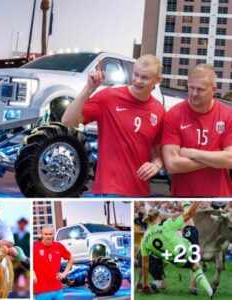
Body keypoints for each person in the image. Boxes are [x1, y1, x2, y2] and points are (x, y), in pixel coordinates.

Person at [62, 54, 165, 196]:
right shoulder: (109, 98)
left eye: (145, 78)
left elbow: (159, 155)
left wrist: (156, 165)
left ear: (157, 80)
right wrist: (89, 88)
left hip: (140, 192)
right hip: (109, 189)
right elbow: (67, 121)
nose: (138, 81)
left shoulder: (159, 110)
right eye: (136, 75)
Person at [162, 64, 232, 196]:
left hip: (219, 195)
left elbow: (230, 160)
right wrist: (216, 157)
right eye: (191, 88)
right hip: (184, 197)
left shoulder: (228, 115)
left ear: (213, 90)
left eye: (200, 89)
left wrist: (192, 153)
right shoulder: (174, 115)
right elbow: (172, 164)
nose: (194, 93)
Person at [141, 201, 213, 298]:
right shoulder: (166, 225)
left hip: (177, 262)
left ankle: (210, 291)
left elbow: (145, 265)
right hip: (188, 250)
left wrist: (145, 283)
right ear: (158, 217)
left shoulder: (144, 240)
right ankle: (185, 202)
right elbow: (190, 214)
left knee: (195, 266)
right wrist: (197, 201)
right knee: (190, 225)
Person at [34, 225, 74, 300]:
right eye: (46, 234)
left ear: (53, 234)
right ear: (42, 234)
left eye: (50, 234)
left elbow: (71, 259)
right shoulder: (35, 248)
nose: (48, 236)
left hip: (57, 290)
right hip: (41, 292)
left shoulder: (58, 246)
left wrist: (64, 273)